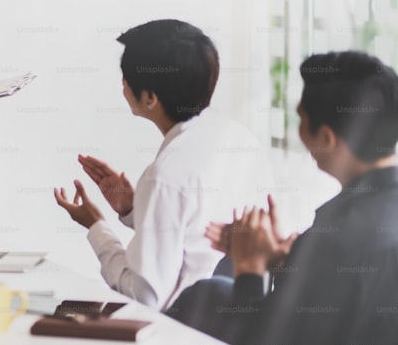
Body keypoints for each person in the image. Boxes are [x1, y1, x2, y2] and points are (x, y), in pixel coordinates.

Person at [167, 51, 398, 345]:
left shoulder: (335, 239)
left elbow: (265, 341)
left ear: (327, 138)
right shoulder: (363, 221)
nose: (297, 129)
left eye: (300, 117)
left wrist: (251, 267)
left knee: (202, 296)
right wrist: (282, 259)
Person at [52, 19, 268, 311]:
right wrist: (132, 208)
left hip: (178, 332)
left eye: (126, 78)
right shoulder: (240, 139)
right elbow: (194, 230)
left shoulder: (164, 176)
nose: (123, 84)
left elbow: (144, 297)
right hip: (228, 329)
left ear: (151, 98)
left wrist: (95, 226)